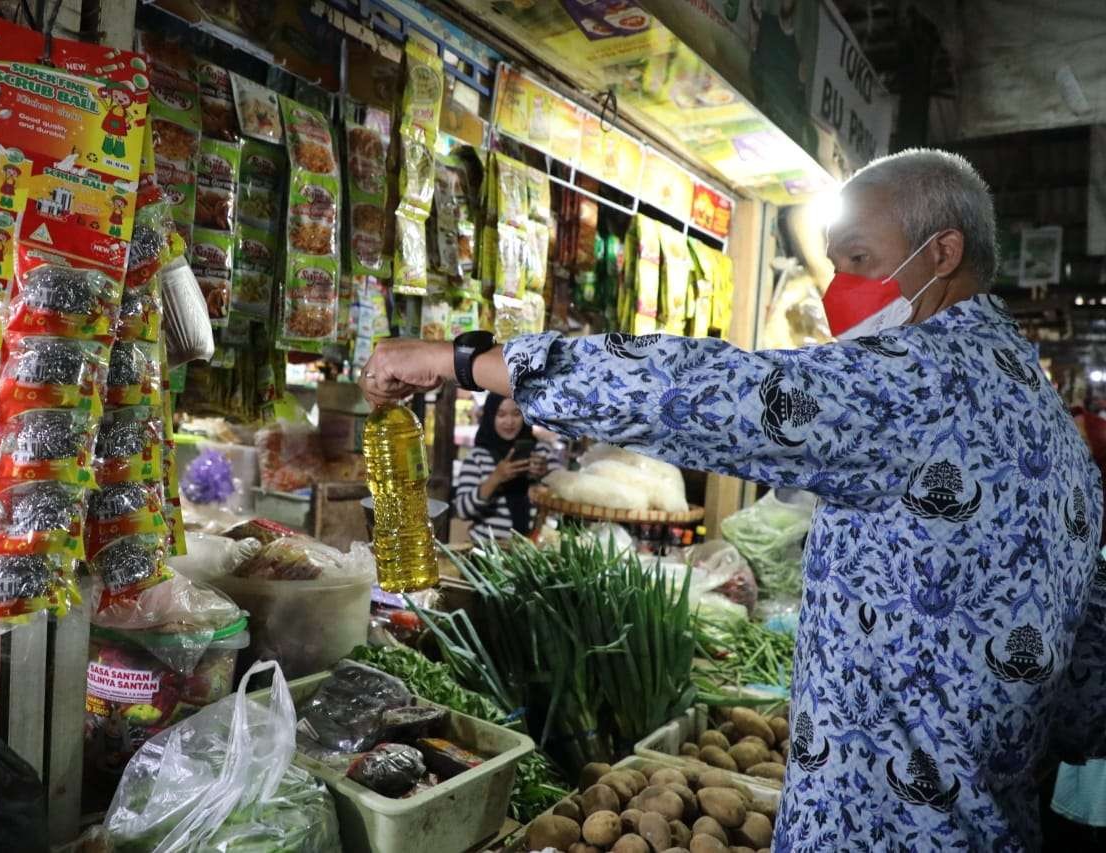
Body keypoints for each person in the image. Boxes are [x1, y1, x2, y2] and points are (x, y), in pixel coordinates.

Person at [360, 148, 1106, 850]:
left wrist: (462, 359)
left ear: (941, 254)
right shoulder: (1046, 423)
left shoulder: (923, 380)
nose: (839, 286)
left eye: (858, 259)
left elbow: (706, 391)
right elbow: (1080, 694)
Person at [453, 393, 549, 544]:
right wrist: (495, 479)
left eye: (516, 414)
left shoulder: (541, 452)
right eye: (501, 414)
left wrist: (545, 477)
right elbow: (462, 511)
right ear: (491, 417)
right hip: (486, 554)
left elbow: (562, 499)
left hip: (532, 554)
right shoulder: (478, 457)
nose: (509, 422)